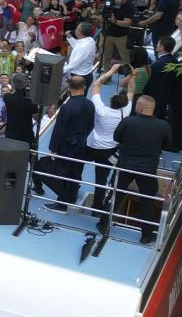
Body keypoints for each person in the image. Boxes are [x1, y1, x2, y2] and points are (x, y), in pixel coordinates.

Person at [98, 95, 171, 243]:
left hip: (124, 166)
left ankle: (103, 223)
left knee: (115, 195)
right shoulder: (163, 126)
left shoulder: (128, 121)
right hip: (148, 169)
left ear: (140, 107)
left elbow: (117, 137)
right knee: (148, 201)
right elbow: (167, 145)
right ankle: (147, 235)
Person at [86, 64, 133, 213]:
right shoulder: (125, 112)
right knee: (101, 180)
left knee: (75, 167)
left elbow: (96, 84)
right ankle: (97, 207)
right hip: (109, 152)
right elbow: (131, 90)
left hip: (91, 146)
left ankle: (68, 195)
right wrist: (131, 74)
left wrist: (111, 71)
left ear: (111, 100)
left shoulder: (101, 109)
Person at [46, 73, 95, 211]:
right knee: (76, 171)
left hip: (67, 146)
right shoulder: (90, 104)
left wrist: (53, 148)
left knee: (64, 173)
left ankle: (62, 203)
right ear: (84, 87)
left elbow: (59, 130)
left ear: (69, 87)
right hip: (82, 144)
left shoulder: (67, 107)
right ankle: (72, 197)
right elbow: (91, 125)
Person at [100, 0, 136, 70]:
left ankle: (127, 79)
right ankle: (106, 77)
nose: (120, 1)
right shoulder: (109, 3)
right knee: (106, 57)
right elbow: (102, 17)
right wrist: (102, 18)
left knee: (125, 58)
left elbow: (127, 23)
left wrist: (114, 21)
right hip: (107, 34)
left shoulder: (130, 6)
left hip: (122, 36)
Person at [2, 72, 39, 144]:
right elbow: (36, 117)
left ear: (13, 84)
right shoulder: (30, 101)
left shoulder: (7, 97)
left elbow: (13, 94)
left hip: (11, 135)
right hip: (26, 137)